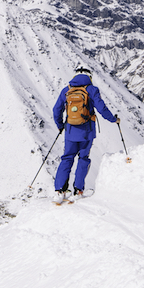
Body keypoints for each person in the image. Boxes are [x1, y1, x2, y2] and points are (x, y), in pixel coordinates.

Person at [51, 66, 119, 203]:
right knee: (83, 158)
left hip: (70, 131)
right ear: (90, 76)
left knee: (67, 158)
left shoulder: (67, 90)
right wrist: (114, 119)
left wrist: (60, 126)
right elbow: (101, 108)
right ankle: (78, 190)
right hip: (86, 132)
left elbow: (56, 109)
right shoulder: (92, 90)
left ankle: (60, 191)